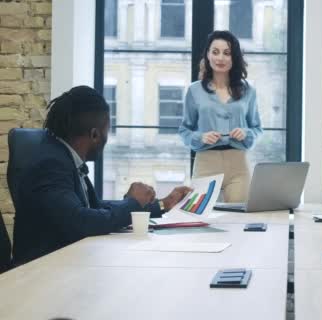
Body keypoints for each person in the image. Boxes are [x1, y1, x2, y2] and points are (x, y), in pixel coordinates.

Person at [12, 86, 191, 265]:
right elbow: (82, 221)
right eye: (107, 131)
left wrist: (162, 204)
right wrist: (132, 203)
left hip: (67, 262)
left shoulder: (65, 157)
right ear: (95, 134)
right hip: (41, 274)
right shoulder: (51, 164)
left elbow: (94, 207)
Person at [179, 30, 262, 202]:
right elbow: (184, 131)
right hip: (206, 163)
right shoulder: (194, 91)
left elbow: (257, 128)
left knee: (238, 220)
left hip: (239, 164)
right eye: (215, 52)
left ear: (234, 57)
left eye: (227, 53)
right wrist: (201, 137)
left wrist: (246, 133)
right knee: (201, 220)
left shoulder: (249, 91)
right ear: (207, 55)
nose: (220, 58)